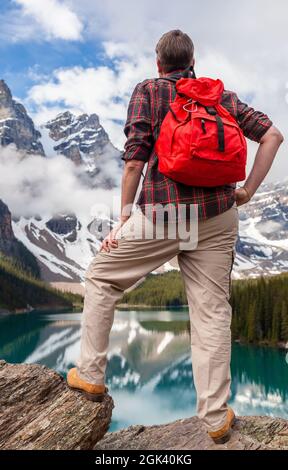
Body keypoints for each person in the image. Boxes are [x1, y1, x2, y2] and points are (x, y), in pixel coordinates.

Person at [67, 30, 283, 443]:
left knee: (101, 277)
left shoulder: (149, 90)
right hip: (220, 215)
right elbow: (272, 136)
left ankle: (91, 375)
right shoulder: (220, 96)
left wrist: (123, 218)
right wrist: (247, 191)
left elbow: (135, 160)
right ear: (192, 60)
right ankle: (216, 417)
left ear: (158, 61)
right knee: (212, 315)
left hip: (166, 213)